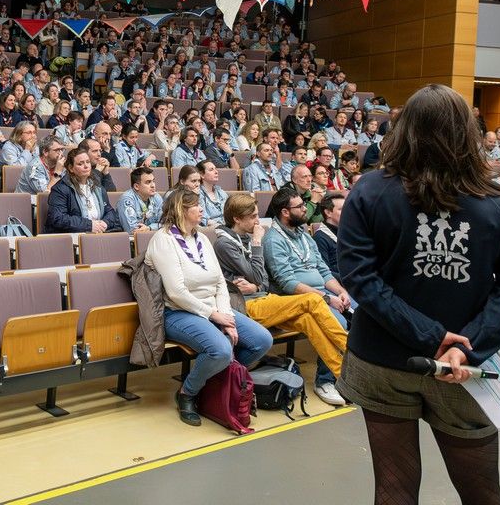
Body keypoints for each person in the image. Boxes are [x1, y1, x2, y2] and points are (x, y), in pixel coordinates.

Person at [336, 84, 500, 505]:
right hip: (461, 367)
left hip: (383, 359)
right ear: (467, 133)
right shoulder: (499, 205)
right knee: (482, 493)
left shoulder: (368, 191)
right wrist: (465, 345)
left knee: (394, 488)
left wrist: (431, 337)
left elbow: (360, 278)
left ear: (404, 129)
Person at [145, 188, 273, 426]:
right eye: (196, 205)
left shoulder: (202, 238)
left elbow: (220, 284)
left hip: (213, 308)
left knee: (262, 340)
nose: (202, 209)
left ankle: (214, 382)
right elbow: (176, 292)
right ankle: (188, 392)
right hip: (178, 312)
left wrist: (226, 316)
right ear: (182, 210)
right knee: (221, 350)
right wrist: (214, 315)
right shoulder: (163, 240)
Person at [213, 192, 348, 407]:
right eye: (253, 216)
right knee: (312, 301)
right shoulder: (224, 243)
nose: (258, 221)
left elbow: (263, 280)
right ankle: (353, 354)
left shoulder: (247, 237)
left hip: (264, 298)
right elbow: (258, 275)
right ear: (237, 218)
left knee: (308, 320)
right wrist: (257, 244)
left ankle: (344, 376)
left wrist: (255, 285)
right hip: (244, 306)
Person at [44, 146, 121, 234]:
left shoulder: (97, 185)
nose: (86, 166)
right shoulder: (60, 189)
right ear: (71, 168)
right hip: (73, 236)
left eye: (88, 162)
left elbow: (110, 211)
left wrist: (105, 223)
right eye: (80, 164)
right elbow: (58, 218)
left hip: (98, 234)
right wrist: (89, 225)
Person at [117, 166, 164, 233]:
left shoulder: (156, 197)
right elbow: (132, 230)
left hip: (152, 235)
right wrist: (153, 228)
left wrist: (150, 228)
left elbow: (165, 223)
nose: (153, 185)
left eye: (153, 181)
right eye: (148, 182)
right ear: (136, 186)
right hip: (129, 238)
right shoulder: (127, 200)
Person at [311, 191, 345, 282]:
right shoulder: (320, 238)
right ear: (328, 212)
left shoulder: (350, 232)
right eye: (341, 209)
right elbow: (325, 272)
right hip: (342, 283)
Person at [196, 159, 228, 228]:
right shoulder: (198, 194)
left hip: (227, 226)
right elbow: (204, 219)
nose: (216, 172)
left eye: (215, 169)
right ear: (201, 175)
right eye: (211, 170)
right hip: (211, 229)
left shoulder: (221, 192)